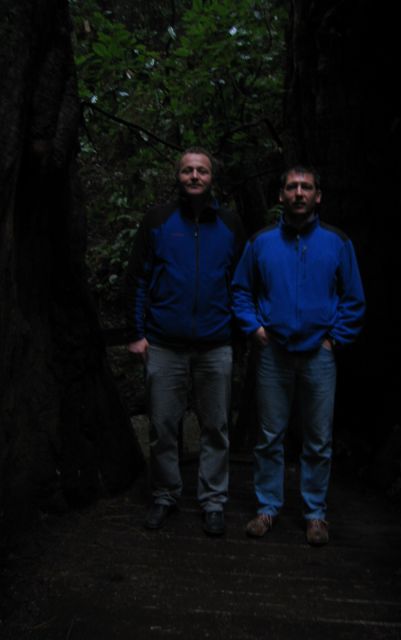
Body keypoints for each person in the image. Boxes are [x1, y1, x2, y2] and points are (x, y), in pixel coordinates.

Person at [232, 165, 365, 545]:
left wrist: (334, 338)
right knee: (269, 436)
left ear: (318, 196)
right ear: (281, 195)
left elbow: (353, 297)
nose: (299, 193)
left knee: (318, 439)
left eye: (306, 187)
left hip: (319, 354)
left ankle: (315, 514)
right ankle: (267, 508)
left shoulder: (337, 242)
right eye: (292, 187)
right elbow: (241, 290)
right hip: (272, 352)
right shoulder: (261, 242)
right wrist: (255, 328)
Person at [124, 148, 245, 536]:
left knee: (216, 427)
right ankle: (165, 495)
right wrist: (136, 334)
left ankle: (213, 501)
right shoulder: (158, 220)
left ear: (212, 178)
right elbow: (138, 279)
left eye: (202, 171)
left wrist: (240, 335)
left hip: (215, 343)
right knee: (162, 426)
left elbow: (241, 284)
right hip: (164, 343)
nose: (194, 176)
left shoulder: (229, 224)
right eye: (188, 170)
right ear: (177, 176)